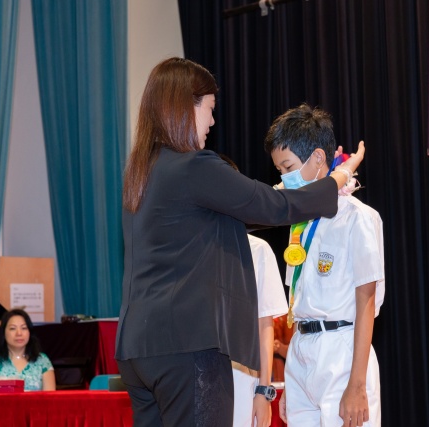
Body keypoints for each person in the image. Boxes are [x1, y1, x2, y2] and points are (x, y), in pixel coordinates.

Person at [115, 57, 366, 427]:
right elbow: (271, 206)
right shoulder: (194, 166)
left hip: (137, 348)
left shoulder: (142, 173)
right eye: (209, 108)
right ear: (186, 106)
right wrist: (337, 177)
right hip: (186, 344)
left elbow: (238, 214)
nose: (212, 122)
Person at [264, 103, 385, 427]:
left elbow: (366, 301)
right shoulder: (300, 224)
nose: (284, 178)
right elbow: (299, 300)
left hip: (341, 351)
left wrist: (357, 384)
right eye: (278, 170)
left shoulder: (358, 218)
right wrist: (293, 379)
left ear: (318, 158)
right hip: (301, 351)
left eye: (288, 167)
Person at [220, 154, 288, 427]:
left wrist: (264, 390)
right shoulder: (190, 249)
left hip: (242, 376)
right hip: (195, 377)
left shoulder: (258, 250)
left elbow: (264, 324)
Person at [0, 309, 56, 391]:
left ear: (29, 332)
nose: (19, 333)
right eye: (12, 328)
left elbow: (50, 397)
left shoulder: (42, 361)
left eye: (24, 328)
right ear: (3, 332)